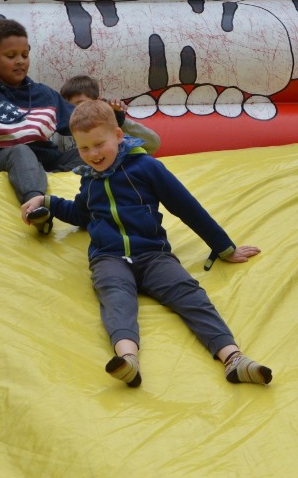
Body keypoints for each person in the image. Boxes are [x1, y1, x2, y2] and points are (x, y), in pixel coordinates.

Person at [26, 99, 272, 387]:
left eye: (99, 144)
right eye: (84, 148)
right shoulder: (90, 181)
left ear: (118, 136)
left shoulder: (145, 168)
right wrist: (48, 202)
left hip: (153, 254)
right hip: (109, 257)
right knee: (116, 299)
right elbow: (82, 214)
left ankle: (233, 358)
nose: (92, 154)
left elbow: (187, 207)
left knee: (189, 294)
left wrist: (224, 247)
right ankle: (128, 359)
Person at [0, 19, 123, 234]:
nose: (20, 61)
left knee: (97, 152)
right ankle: (36, 207)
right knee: (21, 151)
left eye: (25, 55)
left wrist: (113, 116)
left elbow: (79, 121)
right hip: (0, 158)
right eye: (11, 56)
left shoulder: (44, 94)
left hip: (46, 161)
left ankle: (111, 202)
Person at [52, 74, 161, 172]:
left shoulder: (107, 125)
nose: (75, 110)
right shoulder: (60, 131)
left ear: (97, 101)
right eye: (68, 106)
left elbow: (153, 144)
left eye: (80, 104)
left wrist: (120, 122)